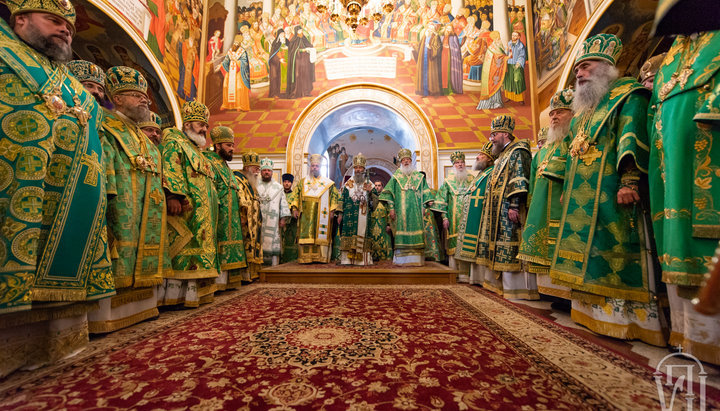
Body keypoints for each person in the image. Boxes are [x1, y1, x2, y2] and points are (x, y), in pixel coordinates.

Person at [0, 0, 115, 377]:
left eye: (70, 25)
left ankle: (52, 345)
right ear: (20, 19)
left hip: (71, 189)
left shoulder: (68, 81)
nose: (67, 29)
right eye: (54, 21)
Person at [550, 33, 665, 346]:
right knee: (585, 256)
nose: (579, 74)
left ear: (605, 67)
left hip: (612, 190)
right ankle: (591, 312)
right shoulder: (582, 114)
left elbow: (631, 135)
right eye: (577, 70)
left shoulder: (626, 94)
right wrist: (568, 187)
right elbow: (575, 152)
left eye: (585, 67)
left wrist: (629, 180)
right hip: (581, 196)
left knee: (614, 249)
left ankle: (626, 318)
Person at [648, 28, 720, 362]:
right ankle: (691, 336)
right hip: (670, 167)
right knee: (677, 239)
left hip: (708, 150)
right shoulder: (674, 53)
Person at [87, 66, 169, 333]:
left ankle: (142, 308)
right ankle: (108, 315)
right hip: (120, 202)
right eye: (135, 94)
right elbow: (104, 162)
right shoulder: (107, 125)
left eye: (144, 95)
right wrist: (107, 195)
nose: (144, 99)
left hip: (148, 206)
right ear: (118, 98)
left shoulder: (143, 137)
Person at [159, 101, 220, 308]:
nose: (204, 129)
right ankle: (176, 297)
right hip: (185, 210)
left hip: (201, 215)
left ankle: (194, 295)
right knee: (185, 251)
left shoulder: (197, 150)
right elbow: (170, 166)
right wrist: (172, 196)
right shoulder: (174, 140)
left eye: (206, 126)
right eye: (200, 124)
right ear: (187, 125)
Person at [517, 89, 574, 301]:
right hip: (540, 208)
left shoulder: (573, 141)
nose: (554, 117)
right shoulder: (543, 151)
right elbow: (532, 184)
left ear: (573, 114)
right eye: (551, 114)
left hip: (562, 206)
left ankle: (566, 295)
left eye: (560, 112)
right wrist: (531, 207)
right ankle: (549, 293)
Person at [477, 115, 535, 299]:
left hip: (509, 209)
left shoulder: (518, 151)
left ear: (505, 133)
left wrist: (514, 206)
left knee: (510, 243)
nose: (491, 138)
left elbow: (519, 178)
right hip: (497, 210)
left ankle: (515, 288)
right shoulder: (502, 155)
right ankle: (500, 285)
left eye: (494, 134)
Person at [203, 126, 247, 290]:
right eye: (228, 145)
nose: (232, 149)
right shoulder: (209, 161)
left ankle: (228, 283)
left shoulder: (224, 165)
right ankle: (218, 284)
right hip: (219, 214)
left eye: (233, 145)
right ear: (218, 145)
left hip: (232, 215)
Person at [379, 149, 434, 266]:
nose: (406, 162)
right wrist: (392, 208)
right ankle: (401, 260)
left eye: (408, 160)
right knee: (401, 231)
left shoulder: (419, 177)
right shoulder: (396, 177)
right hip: (401, 211)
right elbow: (388, 193)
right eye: (404, 160)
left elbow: (426, 193)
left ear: (411, 161)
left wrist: (424, 206)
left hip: (416, 211)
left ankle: (416, 260)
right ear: (401, 162)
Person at [455, 143, 495, 284]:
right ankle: (475, 277)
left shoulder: (492, 173)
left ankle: (481, 278)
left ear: (489, 159)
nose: (477, 157)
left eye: (482, 155)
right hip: (474, 217)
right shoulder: (481, 174)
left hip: (481, 218)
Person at [289, 154, 340, 263]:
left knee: (319, 234)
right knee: (307, 235)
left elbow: (335, 197)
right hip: (306, 215)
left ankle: (321, 257)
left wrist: (332, 210)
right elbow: (295, 195)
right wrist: (295, 208)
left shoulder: (328, 183)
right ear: (310, 167)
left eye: (316, 166)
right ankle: (305, 258)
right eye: (312, 166)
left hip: (321, 215)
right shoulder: (302, 182)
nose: (314, 168)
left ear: (320, 167)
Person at [434, 151, 475, 277]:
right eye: (457, 163)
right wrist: (444, 217)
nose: (460, 165)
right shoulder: (448, 181)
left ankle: (468, 275)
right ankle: (455, 274)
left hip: (469, 217)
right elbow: (442, 200)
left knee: (467, 243)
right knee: (455, 244)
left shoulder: (472, 179)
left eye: (462, 162)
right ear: (453, 165)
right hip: (453, 218)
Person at [337, 153, 377, 265]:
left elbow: (374, 204)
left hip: (363, 216)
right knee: (349, 236)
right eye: (356, 167)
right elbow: (341, 199)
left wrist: (370, 193)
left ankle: (362, 261)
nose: (358, 170)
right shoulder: (347, 184)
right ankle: (347, 260)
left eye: (360, 168)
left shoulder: (370, 184)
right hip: (349, 217)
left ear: (364, 169)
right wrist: (340, 214)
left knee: (363, 236)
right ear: (353, 169)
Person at [234, 152, 264, 279]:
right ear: (247, 168)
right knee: (246, 246)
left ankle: (253, 273)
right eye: (255, 168)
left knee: (253, 245)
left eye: (259, 168)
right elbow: (241, 199)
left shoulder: (251, 183)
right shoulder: (238, 180)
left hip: (254, 221)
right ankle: (245, 275)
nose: (258, 171)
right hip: (245, 220)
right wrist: (243, 216)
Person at [258, 158, 290, 266]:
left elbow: (283, 204)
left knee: (273, 242)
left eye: (269, 170)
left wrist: (283, 218)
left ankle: (274, 266)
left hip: (274, 221)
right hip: (258, 220)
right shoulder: (255, 186)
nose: (267, 172)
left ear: (272, 172)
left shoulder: (279, 187)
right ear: (261, 172)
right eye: (264, 170)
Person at [220, 41, 251, 111]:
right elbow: (226, 61)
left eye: (237, 44)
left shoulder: (242, 52)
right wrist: (223, 64)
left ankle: (239, 105)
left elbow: (245, 63)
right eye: (234, 44)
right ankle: (227, 105)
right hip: (230, 72)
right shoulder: (230, 51)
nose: (235, 45)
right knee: (226, 86)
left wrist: (237, 62)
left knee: (239, 88)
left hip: (239, 73)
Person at [286, 26, 315, 99]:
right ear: (296, 32)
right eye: (299, 31)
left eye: (301, 30)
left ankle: (306, 92)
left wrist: (311, 49)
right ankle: (297, 92)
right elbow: (293, 52)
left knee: (306, 75)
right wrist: (302, 50)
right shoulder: (294, 40)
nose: (301, 32)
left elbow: (309, 45)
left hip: (305, 61)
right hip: (298, 61)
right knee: (298, 75)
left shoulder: (304, 38)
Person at [369, 180, 393, 262]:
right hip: (372, 222)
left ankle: (386, 257)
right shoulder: (370, 196)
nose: (377, 187)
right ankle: (373, 256)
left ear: (382, 187)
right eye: (375, 185)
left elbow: (390, 210)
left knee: (385, 239)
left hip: (383, 222)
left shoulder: (386, 196)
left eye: (379, 185)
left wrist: (389, 224)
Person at [415, 22, 441, 96]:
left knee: (430, 74)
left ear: (433, 29)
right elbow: (420, 45)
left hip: (431, 59)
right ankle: (423, 91)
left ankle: (430, 91)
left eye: (431, 28)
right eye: (428, 28)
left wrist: (430, 48)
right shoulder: (425, 35)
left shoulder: (436, 37)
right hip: (423, 57)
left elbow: (437, 48)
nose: (429, 30)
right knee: (423, 73)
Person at [281, 173, 299, 263]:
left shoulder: (294, 195)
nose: (286, 184)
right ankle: (281, 259)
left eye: (288, 182)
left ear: (291, 183)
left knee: (291, 240)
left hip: (292, 222)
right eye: (285, 182)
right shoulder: (279, 194)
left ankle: (291, 259)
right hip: (280, 221)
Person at [504, 31, 526, 103]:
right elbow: (506, 54)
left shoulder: (521, 46)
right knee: (509, 81)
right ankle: (509, 97)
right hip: (509, 64)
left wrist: (519, 63)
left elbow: (522, 56)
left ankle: (520, 99)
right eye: (513, 35)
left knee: (518, 81)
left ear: (519, 37)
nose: (513, 37)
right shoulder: (509, 43)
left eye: (515, 36)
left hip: (517, 65)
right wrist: (506, 50)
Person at [268, 29, 289, 98]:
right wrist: (279, 59)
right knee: (276, 77)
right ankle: (276, 93)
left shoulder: (287, 41)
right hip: (278, 64)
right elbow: (272, 55)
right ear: (278, 35)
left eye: (283, 34)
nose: (283, 35)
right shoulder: (275, 43)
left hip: (287, 62)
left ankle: (287, 92)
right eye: (281, 34)